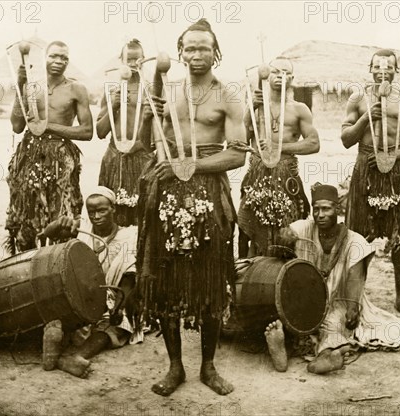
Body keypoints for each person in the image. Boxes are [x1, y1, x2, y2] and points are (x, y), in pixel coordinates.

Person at [137, 19, 247, 396]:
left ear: (215, 52)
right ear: (180, 52)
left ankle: (209, 366)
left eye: (204, 48)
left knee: (212, 278)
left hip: (208, 187)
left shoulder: (229, 96)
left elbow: (236, 155)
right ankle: (175, 367)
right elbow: (146, 138)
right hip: (167, 187)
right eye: (190, 48)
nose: (196, 54)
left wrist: (191, 165)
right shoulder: (168, 90)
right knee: (166, 277)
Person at [265, 184, 400, 374]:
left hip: (338, 300)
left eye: (326, 209)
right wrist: (285, 235)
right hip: (305, 298)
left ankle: (326, 356)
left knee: (333, 323)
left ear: (337, 210)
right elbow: (285, 233)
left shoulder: (354, 241)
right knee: (287, 317)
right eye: (316, 209)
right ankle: (283, 348)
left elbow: (355, 277)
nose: (320, 214)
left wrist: (352, 307)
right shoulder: (305, 228)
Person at [341, 49, 400, 315]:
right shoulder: (357, 98)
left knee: (399, 234)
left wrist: (391, 156)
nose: (383, 71)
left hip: (395, 171)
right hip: (365, 168)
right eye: (377, 66)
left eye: (388, 67)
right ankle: (355, 298)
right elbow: (345, 139)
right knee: (358, 234)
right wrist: (367, 117)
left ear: (396, 70)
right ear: (370, 69)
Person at [40, 186, 142, 378]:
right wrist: (59, 223)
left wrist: (119, 307)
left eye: (102, 210)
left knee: (114, 327)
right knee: (66, 311)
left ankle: (74, 356)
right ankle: (55, 343)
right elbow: (47, 234)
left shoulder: (128, 236)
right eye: (92, 212)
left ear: (114, 209)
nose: (96, 216)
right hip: (81, 295)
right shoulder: (81, 232)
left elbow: (129, 277)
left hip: (113, 298)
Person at [6, 40, 93, 253]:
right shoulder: (30, 86)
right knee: (27, 213)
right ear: (44, 57)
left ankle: (59, 263)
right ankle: (26, 264)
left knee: (62, 213)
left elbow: (87, 131)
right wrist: (20, 84)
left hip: (61, 157)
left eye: (64, 57)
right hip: (29, 155)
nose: (58, 61)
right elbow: (17, 126)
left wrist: (47, 127)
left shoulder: (76, 89)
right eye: (54, 56)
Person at [237, 56, 319, 258]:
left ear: (292, 78)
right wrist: (251, 111)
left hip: (286, 176)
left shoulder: (300, 109)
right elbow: (240, 140)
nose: (280, 77)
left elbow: (313, 143)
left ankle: (284, 274)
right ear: (267, 75)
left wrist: (279, 147)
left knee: (287, 230)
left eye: (285, 73)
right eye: (275, 72)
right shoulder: (254, 105)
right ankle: (245, 274)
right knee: (246, 228)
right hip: (256, 174)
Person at [96, 39, 153, 226]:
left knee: (143, 216)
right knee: (112, 216)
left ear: (143, 60)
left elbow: (162, 133)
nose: (132, 63)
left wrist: (139, 145)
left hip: (142, 158)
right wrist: (114, 104)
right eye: (128, 59)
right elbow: (100, 131)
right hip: (114, 159)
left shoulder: (152, 91)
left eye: (137, 59)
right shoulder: (112, 91)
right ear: (121, 60)